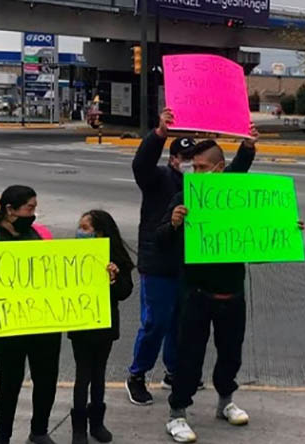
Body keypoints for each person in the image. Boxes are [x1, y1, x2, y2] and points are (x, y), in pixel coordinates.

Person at [156, 140, 305, 443]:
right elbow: (158, 241)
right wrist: (173, 224)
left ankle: (226, 402)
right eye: (192, 167)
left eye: (201, 167)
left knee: (231, 353)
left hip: (232, 293)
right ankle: (178, 413)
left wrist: (286, 233)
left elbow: (257, 246)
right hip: (195, 294)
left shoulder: (240, 199)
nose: (194, 173)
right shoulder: (183, 199)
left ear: (219, 168)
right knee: (189, 356)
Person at [127, 108, 258, 405]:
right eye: (185, 161)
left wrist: (248, 146)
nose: (191, 169)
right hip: (160, 264)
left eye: (198, 164)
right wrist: (159, 133)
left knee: (180, 328)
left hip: (189, 270)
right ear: (173, 160)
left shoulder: (213, 190)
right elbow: (141, 164)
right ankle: (137, 374)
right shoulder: (159, 180)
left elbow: (234, 175)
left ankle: (175, 374)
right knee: (156, 323)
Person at [0, 185, 60, 444]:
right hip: (6, 323)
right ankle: (3, 437)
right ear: (10, 210)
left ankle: (39, 431)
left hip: (44, 321)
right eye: (29, 208)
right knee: (10, 381)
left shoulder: (41, 234)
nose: (34, 214)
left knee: (46, 379)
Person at [69, 210, 134, 444]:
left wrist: (113, 279)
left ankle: (97, 424)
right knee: (82, 375)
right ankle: (78, 428)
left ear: (100, 232)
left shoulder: (114, 258)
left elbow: (125, 292)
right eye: (80, 227)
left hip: (105, 325)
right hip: (80, 325)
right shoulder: (72, 256)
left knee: (98, 375)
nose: (80, 232)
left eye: (85, 228)